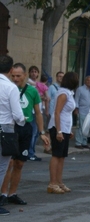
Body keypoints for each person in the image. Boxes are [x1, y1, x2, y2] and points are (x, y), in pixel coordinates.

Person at [1, 63, 49, 205]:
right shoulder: (7, 88)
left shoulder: (32, 91)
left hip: (26, 128)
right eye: (13, 75)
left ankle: (12, 193)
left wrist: (42, 132)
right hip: (10, 127)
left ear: (25, 76)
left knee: (19, 163)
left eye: (18, 76)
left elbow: (38, 113)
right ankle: (3, 193)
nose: (15, 78)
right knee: (8, 162)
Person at [0, 55, 26, 215]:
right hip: (5, 129)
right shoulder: (11, 88)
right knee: (2, 167)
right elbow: (18, 114)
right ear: (10, 70)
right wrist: (23, 121)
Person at [47, 72, 78, 194]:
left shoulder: (68, 93)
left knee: (62, 156)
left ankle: (59, 182)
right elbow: (57, 112)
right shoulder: (63, 94)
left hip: (65, 127)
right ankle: (52, 183)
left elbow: (66, 114)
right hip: (58, 127)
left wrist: (68, 130)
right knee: (56, 155)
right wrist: (59, 131)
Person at [27, 65, 47, 161]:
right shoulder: (28, 84)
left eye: (35, 71)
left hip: (38, 110)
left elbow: (44, 97)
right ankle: (29, 153)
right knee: (33, 132)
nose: (34, 73)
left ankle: (31, 152)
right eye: (32, 71)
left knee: (36, 133)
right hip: (32, 111)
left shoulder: (39, 85)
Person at [74, 75, 90, 149]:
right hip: (81, 111)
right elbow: (76, 99)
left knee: (87, 128)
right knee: (80, 127)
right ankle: (78, 143)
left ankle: (84, 142)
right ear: (85, 81)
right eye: (87, 80)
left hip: (89, 112)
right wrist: (76, 109)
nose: (89, 82)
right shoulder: (80, 89)